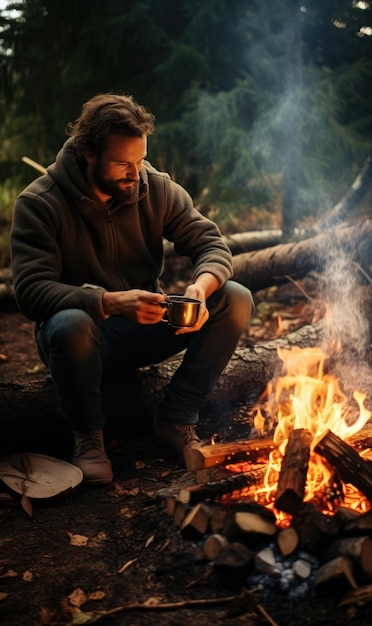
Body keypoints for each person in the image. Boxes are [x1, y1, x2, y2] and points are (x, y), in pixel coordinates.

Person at [10, 93, 254, 486]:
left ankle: (176, 418)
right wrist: (106, 302)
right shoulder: (40, 203)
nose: (135, 172)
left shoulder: (153, 187)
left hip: (145, 326)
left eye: (140, 160)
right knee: (72, 323)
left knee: (235, 298)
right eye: (123, 163)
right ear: (89, 153)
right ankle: (88, 438)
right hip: (79, 338)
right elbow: (31, 291)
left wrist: (200, 287)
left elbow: (211, 243)